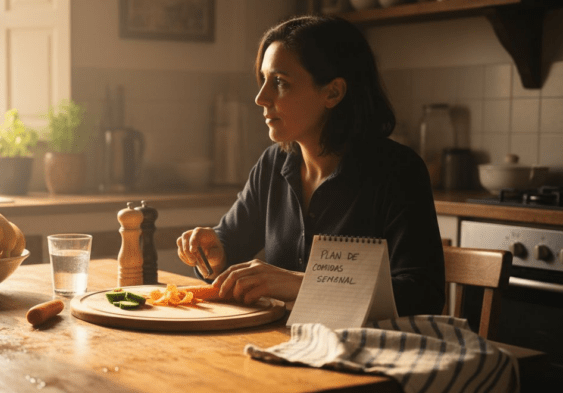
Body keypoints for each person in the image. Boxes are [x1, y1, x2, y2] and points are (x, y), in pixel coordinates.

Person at [176, 15, 445, 317]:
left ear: (333, 92)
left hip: (359, 346)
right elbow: (228, 244)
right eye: (263, 80)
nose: (261, 98)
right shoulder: (273, 164)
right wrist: (214, 253)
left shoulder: (399, 172)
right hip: (282, 341)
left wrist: (299, 284)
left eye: (280, 82)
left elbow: (422, 295)